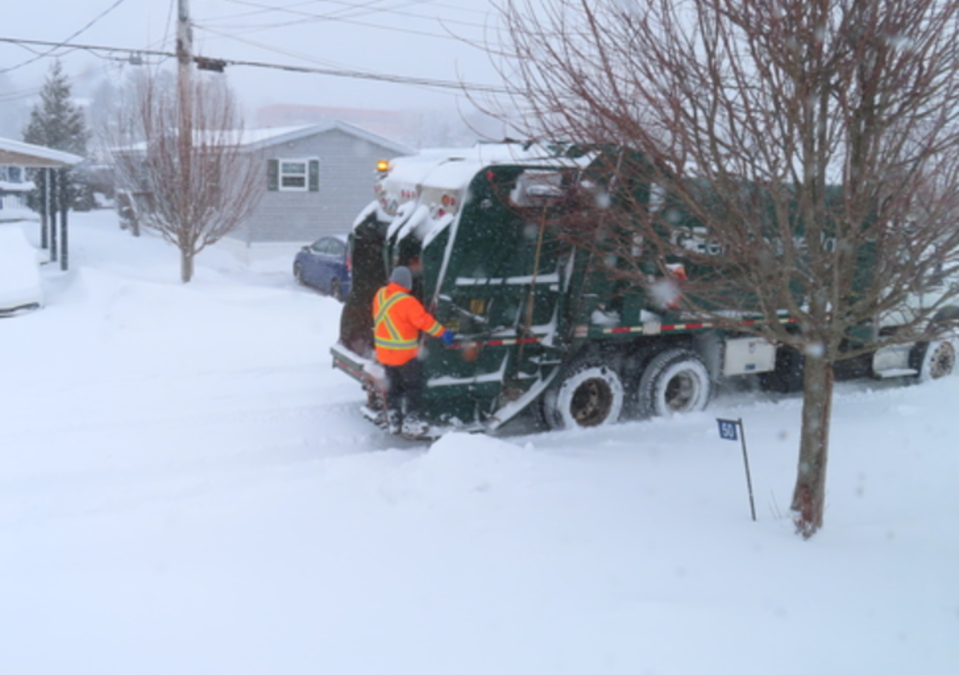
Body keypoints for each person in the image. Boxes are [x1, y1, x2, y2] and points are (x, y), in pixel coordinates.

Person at [372, 266, 454, 435]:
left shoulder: (379, 295)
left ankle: (394, 418)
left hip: (385, 354)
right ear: (407, 283)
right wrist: (443, 332)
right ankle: (411, 421)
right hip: (405, 356)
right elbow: (424, 322)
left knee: (393, 387)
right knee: (413, 387)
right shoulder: (408, 302)